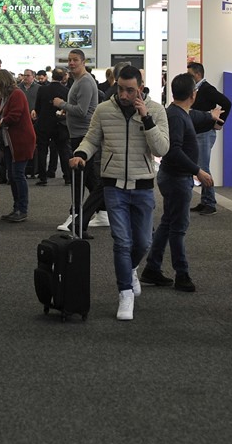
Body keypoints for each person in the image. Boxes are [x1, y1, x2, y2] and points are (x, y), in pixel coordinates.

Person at [68, 64, 170, 321]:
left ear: (141, 88)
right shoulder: (104, 110)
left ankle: (131, 268)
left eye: (130, 90)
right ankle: (125, 292)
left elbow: (161, 149)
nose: (124, 95)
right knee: (122, 242)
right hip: (113, 186)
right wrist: (81, 154)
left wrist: (146, 118)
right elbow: (92, 138)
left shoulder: (156, 110)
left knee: (143, 242)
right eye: (120, 89)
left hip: (143, 186)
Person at [142, 72, 220, 293]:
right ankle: (182, 274)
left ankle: (152, 267)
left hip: (175, 177)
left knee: (169, 223)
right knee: (178, 228)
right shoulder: (176, 117)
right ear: (193, 94)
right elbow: (173, 151)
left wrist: (211, 118)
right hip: (176, 179)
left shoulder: (178, 112)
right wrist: (198, 171)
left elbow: (195, 117)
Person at [54, 49, 100, 226]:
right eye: (69, 60)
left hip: (84, 136)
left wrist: (62, 104)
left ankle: (75, 216)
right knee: (89, 179)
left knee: (79, 177)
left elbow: (82, 111)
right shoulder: (78, 81)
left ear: (83, 62)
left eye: (75, 60)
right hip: (78, 134)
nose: (71, 63)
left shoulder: (85, 82)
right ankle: (104, 211)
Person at [186, 62, 231, 215]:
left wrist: (220, 123)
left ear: (198, 74)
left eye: (190, 74)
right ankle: (205, 201)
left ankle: (210, 203)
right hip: (198, 132)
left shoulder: (207, 89)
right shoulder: (196, 89)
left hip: (205, 133)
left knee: (203, 167)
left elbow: (226, 103)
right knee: (200, 166)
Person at [0, 68, 35, 223]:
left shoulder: (16, 94)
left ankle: (22, 209)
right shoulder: (5, 96)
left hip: (20, 141)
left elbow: (14, 116)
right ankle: (17, 208)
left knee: (17, 175)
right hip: (10, 141)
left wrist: (0, 122)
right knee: (13, 176)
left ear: (2, 81)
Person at [35, 67, 70, 186]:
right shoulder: (66, 91)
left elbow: (38, 107)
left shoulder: (42, 89)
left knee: (42, 151)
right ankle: (67, 176)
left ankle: (42, 177)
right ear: (63, 77)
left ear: (52, 76)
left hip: (44, 124)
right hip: (59, 124)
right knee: (63, 150)